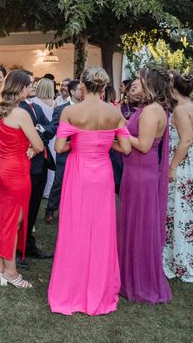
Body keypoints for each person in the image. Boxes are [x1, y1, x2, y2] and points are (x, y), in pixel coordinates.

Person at [48, 67, 131, 315]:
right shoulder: (114, 113)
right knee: (101, 230)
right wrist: (104, 141)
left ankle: (71, 288)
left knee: (75, 227)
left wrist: (81, 141)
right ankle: (98, 289)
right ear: (103, 87)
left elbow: (60, 146)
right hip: (103, 173)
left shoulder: (71, 111)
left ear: (82, 86)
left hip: (78, 172)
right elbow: (126, 148)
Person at [118, 68, 174, 304]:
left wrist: (119, 131)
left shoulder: (152, 111)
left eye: (140, 82)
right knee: (132, 225)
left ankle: (139, 282)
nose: (135, 86)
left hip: (142, 175)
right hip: (134, 173)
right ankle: (128, 276)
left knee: (139, 228)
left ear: (150, 85)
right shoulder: (145, 109)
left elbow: (143, 145)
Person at [0, 70, 44, 288]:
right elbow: (39, 145)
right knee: (15, 221)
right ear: (19, 87)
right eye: (28, 85)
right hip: (17, 171)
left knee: (5, 218)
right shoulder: (21, 113)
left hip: (2, 167)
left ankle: (1, 268)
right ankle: (11, 273)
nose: (30, 88)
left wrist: (29, 148)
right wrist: (32, 149)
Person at [18, 72, 55, 265]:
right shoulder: (18, 108)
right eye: (30, 84)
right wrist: (39, 134)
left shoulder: (35, 106)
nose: (33, 86)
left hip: (41, 162)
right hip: (27, 164)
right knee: (24, 208)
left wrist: (39, 133)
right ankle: (18, 249)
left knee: (33, 208)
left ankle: (28, 245)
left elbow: (50, 127)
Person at [164, 71, 193, 282]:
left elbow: (186, 140)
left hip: (181, 164)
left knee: (177, 209)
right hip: (189, 162)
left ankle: (179, 258)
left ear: (173, 88)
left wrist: (173, 167)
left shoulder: (181, 110)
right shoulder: (191, 105)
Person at [45, 80, 81, 223]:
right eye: (79, 89)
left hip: (81, 152)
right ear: (72, 92)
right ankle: (50, 210)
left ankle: (73, 210)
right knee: (59, 181)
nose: (82, 92)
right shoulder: (61, 109)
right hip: (65, 150)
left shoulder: (86, 109)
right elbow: (53, 127)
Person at [33, 78, 56, 200]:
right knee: (52, 161)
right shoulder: (54, 102)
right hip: (52, 135)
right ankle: (48, 189)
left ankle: (42, 189)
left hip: (40, 134)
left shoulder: (34, 102)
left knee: (43, 160)